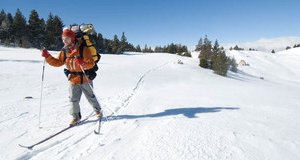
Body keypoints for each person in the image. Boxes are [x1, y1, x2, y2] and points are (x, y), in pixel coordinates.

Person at [41, 28, 102, 126]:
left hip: (85, 78)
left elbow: (91, 64)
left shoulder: (83, 49)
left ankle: (98, 111)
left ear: (73, 39)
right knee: (73, 99)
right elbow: (58, 63)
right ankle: (75, 117)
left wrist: (83, 63)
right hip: (73, 79)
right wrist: (47, 56)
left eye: (67, 39)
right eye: (63, 39)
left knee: (90, 96)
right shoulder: (64, 51)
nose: (65, 41)